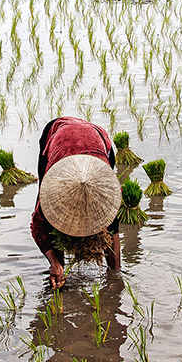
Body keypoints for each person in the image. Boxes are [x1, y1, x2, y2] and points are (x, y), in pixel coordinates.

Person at [30, 117, 123, 289]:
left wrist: (115, 277)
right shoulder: (52, 190)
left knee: (108, 219)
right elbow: (38, 226)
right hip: (58, 134)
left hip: (97, 137)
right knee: (50, 222)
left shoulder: (108, 193)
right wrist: (54, 262)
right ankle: (59, 271)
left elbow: (113, 226)